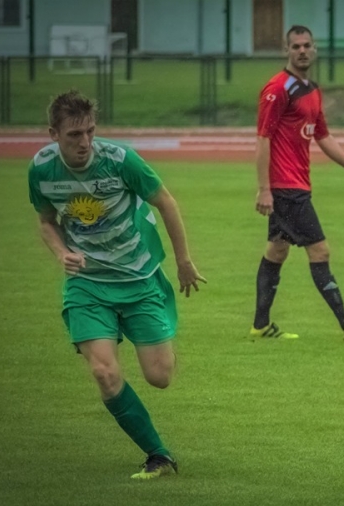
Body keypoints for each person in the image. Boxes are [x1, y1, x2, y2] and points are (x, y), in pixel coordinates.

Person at [28, 90, 207, 479]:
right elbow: (45, 221)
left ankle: (151, 339)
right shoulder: (41, 169)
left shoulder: (121, 160)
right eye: (74, 134)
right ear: (53, 134)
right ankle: (158, 454)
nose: (85, 142)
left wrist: (183, 261)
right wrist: (61, 253)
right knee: (104, 373)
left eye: (90, 131)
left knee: (160, 376)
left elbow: (166, 202)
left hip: (138, 278)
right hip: (87, 285)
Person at [253, 25, 344, 341]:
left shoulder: (311, 89)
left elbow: (323, 136)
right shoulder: (278, 88)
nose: (302, 51)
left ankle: (260, 325)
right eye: (296, 46)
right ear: (287, 50)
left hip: (296, 184)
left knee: (277, 251)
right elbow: (263, 138)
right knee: (320, 251)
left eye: (307, 45)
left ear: (314, 48)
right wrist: (264, 189)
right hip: (286, 187)